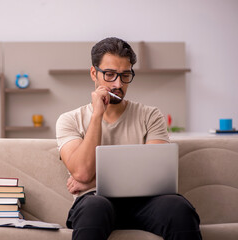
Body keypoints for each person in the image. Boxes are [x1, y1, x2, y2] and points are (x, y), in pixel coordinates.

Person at [56, 37, 202, 240]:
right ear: (93, 73)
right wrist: (97, 115)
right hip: (95, 201)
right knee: (93, 207)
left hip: (146, 202)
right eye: (109, 75)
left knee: (178, 207)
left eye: (125, 75)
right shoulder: (69, 120)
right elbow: (82, 172)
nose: (118, 84)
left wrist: (95, 180)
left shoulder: (151, 115)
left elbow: (158, 173)